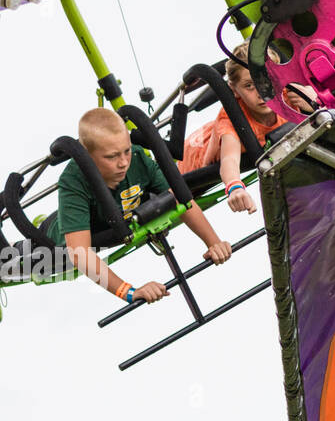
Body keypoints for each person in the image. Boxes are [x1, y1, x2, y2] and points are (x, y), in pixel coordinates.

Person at [50, 108, 232, 305]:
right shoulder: (73, 181)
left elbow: (180, 199)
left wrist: (214, 242)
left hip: (124, 218)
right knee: (42, 242)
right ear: (88, 156)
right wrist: (128, 292)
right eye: (111, 157)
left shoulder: (137, 157)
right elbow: (79, 253)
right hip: (59, 238)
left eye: (126, 151)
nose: (123, 162)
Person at [177, 44, 281, 216]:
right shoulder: (232, 120)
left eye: (266, 79)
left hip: (209, 132)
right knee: (165, 189)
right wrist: (235, 187)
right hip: (190, 158)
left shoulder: (288, 94)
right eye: (249, 86)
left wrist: (311, 99)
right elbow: (229, 160)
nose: (261, 92)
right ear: (235, 90)